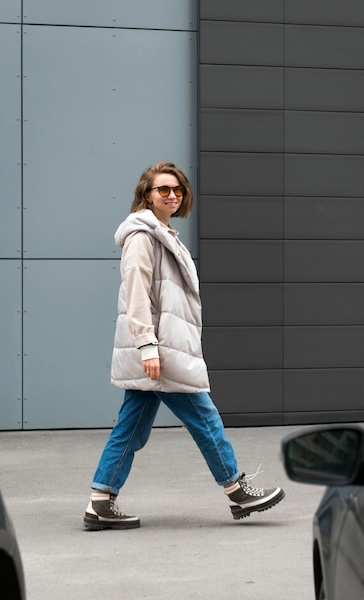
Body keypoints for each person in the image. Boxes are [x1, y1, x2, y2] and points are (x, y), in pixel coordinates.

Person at [83, 161, 285, 530]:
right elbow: (136, 294)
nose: (172, 195)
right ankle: (235, 490)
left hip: (165, 348)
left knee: (131, 428)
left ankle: (100, 501)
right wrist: (147, 346)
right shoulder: (142, 237)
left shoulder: (164, 234)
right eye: (163, 189)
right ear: (147, 195)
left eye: (177, 190)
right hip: (161, 349)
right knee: (204, 416)